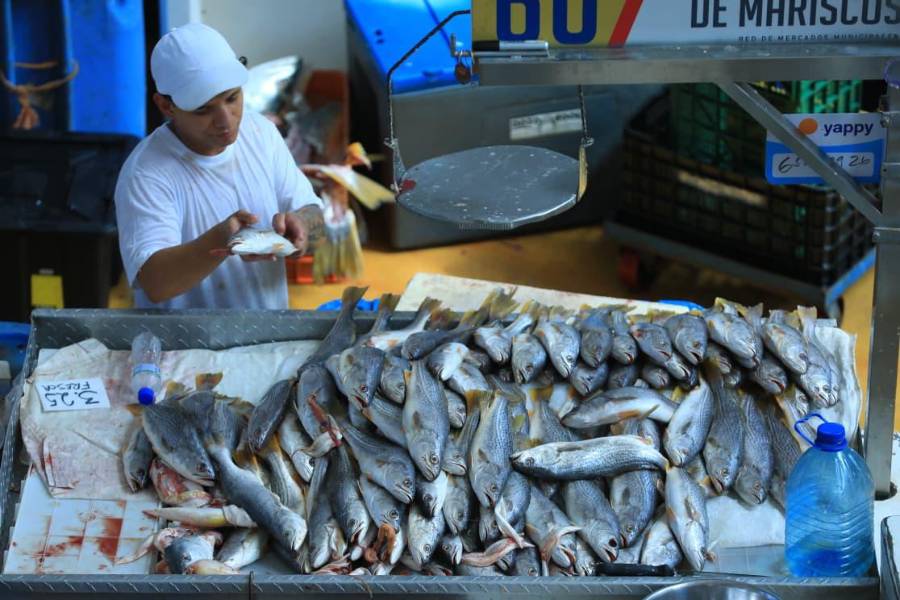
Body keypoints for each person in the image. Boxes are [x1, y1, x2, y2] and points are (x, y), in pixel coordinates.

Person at [115, 23, 324, 309]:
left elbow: (314, 218)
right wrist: (221, 242)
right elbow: (156, 282)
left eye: (232, 98)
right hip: (181, 348)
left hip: (266, 338)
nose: (226, 121)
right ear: (166, 106)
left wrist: (301, 230)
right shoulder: (146, 172)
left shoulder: (261, 133)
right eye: (203, 109)